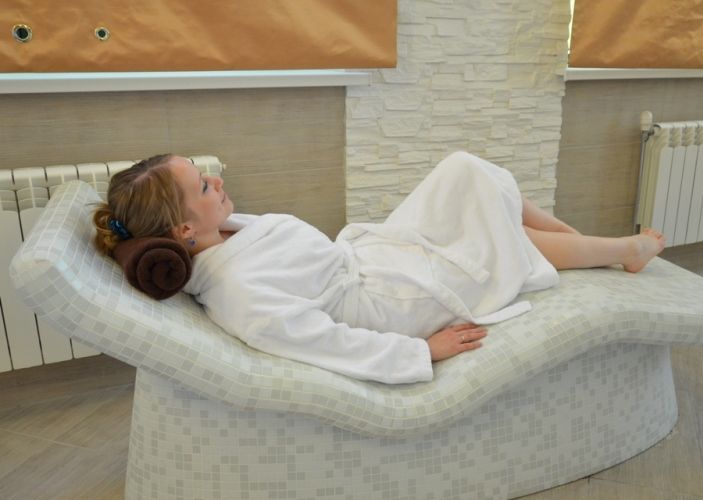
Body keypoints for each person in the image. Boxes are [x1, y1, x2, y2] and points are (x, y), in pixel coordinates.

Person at [93, 152, 665, 384]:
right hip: (394, 301)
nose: (216, 181)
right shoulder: (237, 291)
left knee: (464, 172)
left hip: (374, 256)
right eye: (202, 186)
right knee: (496, 236)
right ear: (183, 231)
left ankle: (588, 242)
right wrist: (422, 351)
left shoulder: (226, 234)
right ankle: (619, 249)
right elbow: (322, 341)